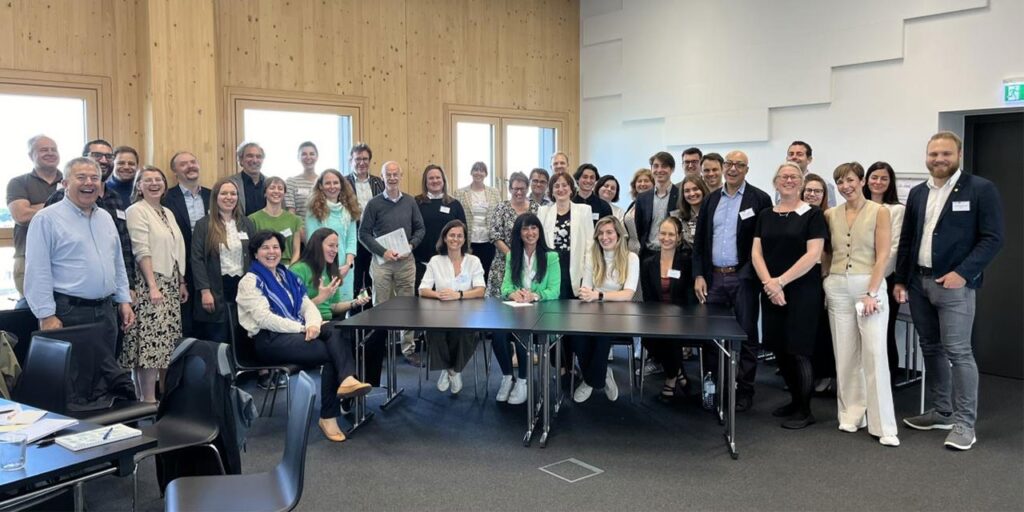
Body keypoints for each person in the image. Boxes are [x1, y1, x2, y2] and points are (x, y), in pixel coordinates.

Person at [895, 131, 1004, 451]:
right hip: (918, 283)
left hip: (954, 285)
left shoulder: (981, 189)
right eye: (933, 154)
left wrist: (963, 273)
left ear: (958, 155)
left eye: (945, 154)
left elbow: (993, 238)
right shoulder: (917, 192)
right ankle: (942, 411)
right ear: (926, 156)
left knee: (959, 352)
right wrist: (902, 279)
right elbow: (908, 239)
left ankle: (964, 423)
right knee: (930, 346)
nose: (938, 159)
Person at [236, 231, 372, 443]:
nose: (271, 252)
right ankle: (329, 414)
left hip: (292, 333)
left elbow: (306, 304)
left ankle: (346, 380)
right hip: (269, 341)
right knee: (331, 352)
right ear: (255, 253)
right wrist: (302, 328)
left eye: (275, 247)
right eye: (265, 248)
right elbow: (265, 319)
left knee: (336, 328)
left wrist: (312, 323)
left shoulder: (285, 275)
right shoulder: (250, 281)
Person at [823, 162, 899, 446]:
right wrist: (826, 281)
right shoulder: (831, 214)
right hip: (838, 287)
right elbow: (827, 252)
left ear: (862, 181)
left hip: (868, 285)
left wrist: (872, 291)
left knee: (874, 354)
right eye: (840, 182)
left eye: (851, 180)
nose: (846, 187)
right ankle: (851, 413)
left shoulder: (880, 212)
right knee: (845, 354)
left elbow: (883, 255)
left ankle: (884, 425)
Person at [692, 150, 773, 411]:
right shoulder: (711, 199)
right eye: (729, 164)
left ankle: (744, 390)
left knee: (746, 336)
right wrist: (699, 275)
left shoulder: (759, 199)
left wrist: (748, 275)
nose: (733, 169)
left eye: (739, 165)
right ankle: (717, 385)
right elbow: (700, 243)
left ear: (747, 169)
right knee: (712, 335)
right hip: (713, 278)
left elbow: (765, 243)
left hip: (743, 278)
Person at [751, 163, 827, 429]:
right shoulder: (765, 214)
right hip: (771, 290)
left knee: (799, 350)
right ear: (776, 181)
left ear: (802, 182)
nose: (789, 180)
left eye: (794, 177)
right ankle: (795, 401)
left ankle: (806, 411)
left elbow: (813, 255)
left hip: (802, 291)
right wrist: (770, 285)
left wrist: (780, 282)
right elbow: (756, 253)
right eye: (784, 176)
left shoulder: (813, 215)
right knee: (779, 348)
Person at [24, 157, 135, 338]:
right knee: (72, 367)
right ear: (65, 183)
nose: (89, 183)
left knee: (105, 366)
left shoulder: (106, 217)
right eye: (81, 177)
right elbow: (37, 270)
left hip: (106, 312)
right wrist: (46, 315)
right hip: (68, 312)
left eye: (94, 178)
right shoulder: (46, 218)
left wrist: (123, 300)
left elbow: (117, 262)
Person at [122, 166, 187, 403]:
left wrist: (181, 281)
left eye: (158, 179)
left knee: (166, 346)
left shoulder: (166, 212)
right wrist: (152, 285)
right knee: (149, 347)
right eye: (146, 180)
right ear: (138, 186)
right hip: (151, 283)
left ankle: (162, 399)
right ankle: (147, 401)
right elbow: (141, 249)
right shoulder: (136, 211)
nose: (153, 183)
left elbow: (175, 249)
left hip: (170, 284)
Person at [358, 161, 426, 367]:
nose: (393, 177)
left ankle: (408, 349)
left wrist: (411, 246)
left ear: (401, 176)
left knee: (407, 305)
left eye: (396, 174)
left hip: (406, 261)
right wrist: (383, 251)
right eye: (389, 174)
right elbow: (363, 234)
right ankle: (380, 349)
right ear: (382, 177)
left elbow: (420, 229)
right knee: (381, 307)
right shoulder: (374, 204)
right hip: (382, 262)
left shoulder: (410, 201)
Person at [493, 213, 561, 404]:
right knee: (498, 335)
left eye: (533, 228)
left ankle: (523, 380)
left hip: (542, 315)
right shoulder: (512, 256)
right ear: (519, 233)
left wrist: (534, 295)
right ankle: (508, 377)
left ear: (539, 230)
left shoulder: (551, 257)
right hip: (517, 311)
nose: (530, 233)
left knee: (523, 333)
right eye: (525, 228)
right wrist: (512, 294)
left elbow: (554, 291)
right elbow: (505, 286)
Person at [571, 216, 639, 403]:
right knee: (576, 336)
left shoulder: (631, 258)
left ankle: (590, 380)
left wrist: (599, 295)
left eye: (609, 232)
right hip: (593, 309)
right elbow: (586, 289)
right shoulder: (592, 256)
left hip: (620, 312)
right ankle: (601, 375)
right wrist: (592, 295)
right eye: (600, 233)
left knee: (601, 336)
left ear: (618, 234)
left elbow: (628, 294)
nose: (604, 237)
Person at [418, 221, 486, 394]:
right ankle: (450, 370)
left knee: (465, 334)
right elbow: (423, 289)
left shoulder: (473, 261)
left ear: (464, 239)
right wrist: (437, 294)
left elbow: (481, 290)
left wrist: (460, 295)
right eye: (452, 235)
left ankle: (452, 371)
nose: (455, 239)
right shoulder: (435, 260)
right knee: (434, 332)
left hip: (468, 313)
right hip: (440, 313)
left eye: (459, 236)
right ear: (445, 238)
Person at [191, 178, 257, 342]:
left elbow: (255, 255)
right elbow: (197, 259)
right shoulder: (203, 225)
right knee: (219, 335)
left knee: (242, 334)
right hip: (216, 287)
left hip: (242, 286)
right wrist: (205, 291)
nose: (229, 197)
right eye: (224, 193)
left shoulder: (246, 223)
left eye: (233, 193)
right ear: (215, 198)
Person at [640, 217, 694, 401]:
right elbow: (648, 297)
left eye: (671, 234)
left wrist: (675, 316)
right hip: (656, 316)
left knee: (670, 338)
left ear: (679, 237)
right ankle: (679, 372)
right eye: (663, 233)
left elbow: (688, 296)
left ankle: (670, 380)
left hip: (680, 317)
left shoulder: (686, 262)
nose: (666, 238)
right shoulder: (648, 263)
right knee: (649, 339)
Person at [863, 161, 905, 386]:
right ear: (866, 180)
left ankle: (887, 382)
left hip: (883, 281)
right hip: (856, 279)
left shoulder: (896, 210)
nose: (878, 182)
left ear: (890, 183)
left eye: (883, 178)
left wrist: (874, 278)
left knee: (883, 333)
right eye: (874, 177)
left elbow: (893, 248)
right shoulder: (857, 206)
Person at [8, 135, 63, 303]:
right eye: (44, 150)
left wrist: (36, 207)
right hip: (28, 257)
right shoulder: (18, 182)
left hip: (65, 256)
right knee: (31, 310)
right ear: (30, 155)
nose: (50, 153)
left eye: (54, 149)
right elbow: (22, 216)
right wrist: (60, 206)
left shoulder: (70, 181)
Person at [163, 151, 211, 337]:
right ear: (175, 172)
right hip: (180, 266)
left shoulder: (212, 195)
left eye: (193, 162)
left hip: (209, 265)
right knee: (185, 322)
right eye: (183, 164)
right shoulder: (167, 198)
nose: (190, 166)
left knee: (209, 321)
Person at [291, 227, 371, 323]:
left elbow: (333, 306)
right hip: (307, 322)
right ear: (317, 246)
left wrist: (355, 303)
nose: (335, 250)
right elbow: (293, 310)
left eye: (337, 246)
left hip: (328, 322)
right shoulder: (298, 270)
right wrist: (320, 298)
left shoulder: (330, 271)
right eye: (331, 245)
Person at [802, 174, 836, 394]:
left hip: (822, 278)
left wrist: (826, 279)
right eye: (809, 190)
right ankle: (807, 375)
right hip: (800, 280)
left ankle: (825, 375)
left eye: (817, 191)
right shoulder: (796, 215)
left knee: (823, 332)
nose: (812, 194)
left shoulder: (828, 218)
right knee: (806, 332)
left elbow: (831, 251)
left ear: (824, 195)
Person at [305, 169, 361, 302]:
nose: (332, 186)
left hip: (344, 267)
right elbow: (313, 242)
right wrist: (326, 268)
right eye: (328, 183)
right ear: (321, 186)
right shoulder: (314, 210)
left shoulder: (350, 209)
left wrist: (348, 264)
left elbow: (352, 240)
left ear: (341, 185)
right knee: (326, 307)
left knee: (343, 307)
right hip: (321, 267)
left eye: (335, 183)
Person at [538, 172, 595, 300]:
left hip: (575, 267)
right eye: (556, 186)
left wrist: (587, 281)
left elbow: (590, 247)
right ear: (551, 191)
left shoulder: (584, 210)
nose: (561, 189)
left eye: (565, 185)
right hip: (552, 266)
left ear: (571, 189)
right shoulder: (543, 211)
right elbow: (540, 244)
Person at [413, 165, 467, 289]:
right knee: (423, 303)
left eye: (438, 177)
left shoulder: (454, 204)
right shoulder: (416, 202)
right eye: (431, 178)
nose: (435, 181)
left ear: (443, 181)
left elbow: (463, 232)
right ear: (425, 182)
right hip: (422, 262)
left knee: (448, 302)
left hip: (449, 264)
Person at [487, 172, 538, 298]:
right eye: (515, 189)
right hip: (503, 264)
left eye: (522, 189)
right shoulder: (501, 208)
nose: (519, 192)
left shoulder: (536, 208)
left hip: (529, 264)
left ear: (528, 189)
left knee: (525, 303)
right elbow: (495, 235)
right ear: (510, 189)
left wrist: (524, 259)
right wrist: (513, 256)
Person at [346, 143, 385, 296]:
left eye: (365, 159)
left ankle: (370, 313)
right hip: (352, 238)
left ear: (370, 161)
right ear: (351, 161)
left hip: (374, 238)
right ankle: (354, 314)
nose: (361, 163)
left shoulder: (379, 183)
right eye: (357, 159)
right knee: (354, 280)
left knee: (372, 279)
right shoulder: (343, 183)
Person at [453, 161, 502, 277]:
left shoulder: (494, 192)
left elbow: (499, 214)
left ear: (486, 174)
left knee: (486, 271)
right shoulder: (460, 193)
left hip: (488, 240)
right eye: (476, 170)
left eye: (482, 170)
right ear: (471, 172)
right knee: (468, 272)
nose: (478, 173)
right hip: (469, 239)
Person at [635, 152, 679, 263]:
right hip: (648, 254)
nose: (659, 170)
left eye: (664, 166)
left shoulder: (680, 195)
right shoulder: (642, 198)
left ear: (672, 169)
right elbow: (639, 227)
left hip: (673, 254)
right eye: (655, 166)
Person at [249, 177, 302, 265]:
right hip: (263, 266)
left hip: (288, 267)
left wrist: (290, 271)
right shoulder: (253, 219)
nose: (276, 191)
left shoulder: (295, 220)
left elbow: (296, 251)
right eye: (272, 188)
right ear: (265, 193)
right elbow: (253, 249)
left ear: (284, 193)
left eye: (280, 188)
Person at [780, 141, 837, 207]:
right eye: (791, 154)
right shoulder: (782, 185)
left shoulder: (825, 184)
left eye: (799, 154)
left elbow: (829, 212)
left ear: (809, 159)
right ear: (787, 158)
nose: (794, 157)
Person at [228, 141, 268, 216]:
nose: (254, 160)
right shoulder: (229, 183)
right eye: (250, 156)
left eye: (258, 156)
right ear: (241, 160)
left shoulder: (270, 184)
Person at [623, 168, 654, 255]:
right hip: (630, 251)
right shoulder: (632, 205)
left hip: (646, 252)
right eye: (639, 181)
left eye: (646, 181)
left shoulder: (655, 204)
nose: (642, 184)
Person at [285, 141, 319, 218]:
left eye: (312, 154)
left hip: (322, 228)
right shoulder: (291, 182)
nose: (308, 157)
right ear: (298, 157)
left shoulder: (323, 182)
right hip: (300, 229)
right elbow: (291, 212)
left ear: (317, 157)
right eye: (304, 154)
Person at [674, 175, 710, 247]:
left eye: (695, 189)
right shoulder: (676, 218)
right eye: (687, 191)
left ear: (703, 190)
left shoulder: (714, 214)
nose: (692, 193)